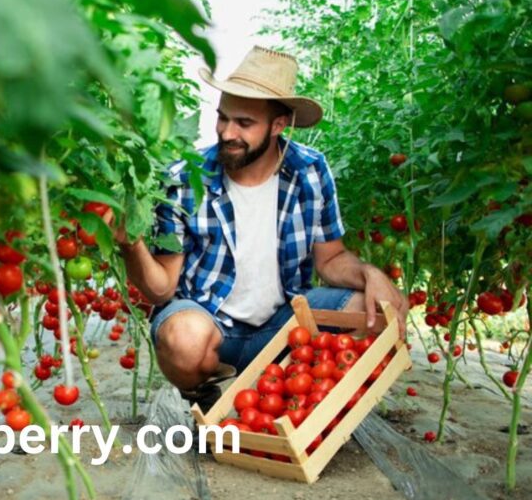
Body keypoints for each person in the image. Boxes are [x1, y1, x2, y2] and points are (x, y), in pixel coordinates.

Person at [114, 46, 408, 405]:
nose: (226, 132)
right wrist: (131, 245)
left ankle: (305, 400)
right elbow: (162, 290)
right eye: (223, 118)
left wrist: (369, 274)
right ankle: (206, 399)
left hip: (285, 326)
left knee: (375, 311)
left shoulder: (309, 171)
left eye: (244, 123)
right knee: (184, 337)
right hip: (210, 327)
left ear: (278, 125)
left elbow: (331, 259)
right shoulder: (183, 179)